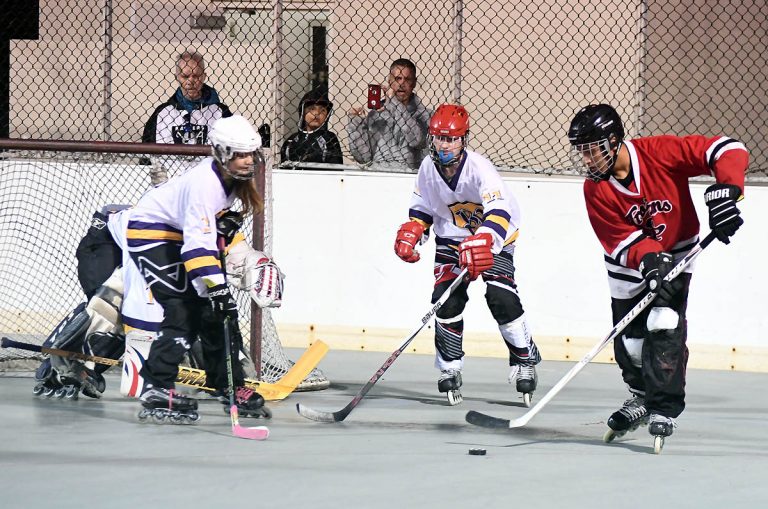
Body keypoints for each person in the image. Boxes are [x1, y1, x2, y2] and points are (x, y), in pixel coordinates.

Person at [567, 104, 748, 449]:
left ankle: (663, 407)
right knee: (630, 342)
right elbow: (619, 240)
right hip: (628, 263)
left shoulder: (658, 153)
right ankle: (641, 397)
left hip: (678, 249)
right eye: (583, 152)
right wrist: (648, 258)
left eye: (592, 150)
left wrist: (730, 190)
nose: (588, 160)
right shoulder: (595, 190)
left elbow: (727, 148)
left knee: (664, 322)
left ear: (614, 140)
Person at [393, 104, 541, 406]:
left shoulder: (480, 168)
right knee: (445, 299)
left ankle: (524, 358)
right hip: (452, 240)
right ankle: (449, 367)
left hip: (493, 237)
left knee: (501, 296)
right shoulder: (427, 169)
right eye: (439, 138)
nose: (444, 145)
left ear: (464, 139)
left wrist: (484, 241)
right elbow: (422, 208)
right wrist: (413, 231)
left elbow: (500, 210)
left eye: (451, 139)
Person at [127, 114, 270, 423]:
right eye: (240, 154)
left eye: (250, 154)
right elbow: (197, 245)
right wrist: (216, 288)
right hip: (151, 232)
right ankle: (155, 387)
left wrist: (217, 292)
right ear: (220, 152)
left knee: (219, 314)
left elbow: (207, 234)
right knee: (183, 311)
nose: (248, 161)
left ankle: (229, 385)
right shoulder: (205, 183)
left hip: (178, 234)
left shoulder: (233, 180)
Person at [141, 50, 233, 180]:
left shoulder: (221, 113)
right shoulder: (161, 114)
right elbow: (146, 156)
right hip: (172, 184)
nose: (191, 81)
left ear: (204, 76)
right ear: (177, 77)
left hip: (209, 183)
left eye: (196, 76)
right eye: (185, 76)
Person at [347, 58, 431, 171]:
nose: (402, 83)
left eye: (407, 79)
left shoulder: (424, 114)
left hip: (409, 177)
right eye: (397, 78)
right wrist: (355, 123)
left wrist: (393, 103)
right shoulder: (375, 114)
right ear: (389, 80)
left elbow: (415, 140)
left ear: (414, 82)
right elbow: (363, 157)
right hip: (379, 176)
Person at [280, 89, 343, 165]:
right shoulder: (292, 140)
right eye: (311, 109)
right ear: (303, 112)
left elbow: (335, 168)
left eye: (322, 110)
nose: (316, 113)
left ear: (327, 115)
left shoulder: (329, 138)